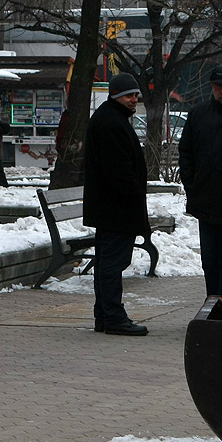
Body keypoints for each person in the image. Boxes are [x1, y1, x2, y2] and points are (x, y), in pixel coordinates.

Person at [83, 72, 150, 336]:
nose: (135, 99)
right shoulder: (112, 123)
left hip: (109, 208)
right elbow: (119, 172)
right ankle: (112, 316)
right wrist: (134, 195)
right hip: (116, 209)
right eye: (130, 95)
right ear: (117, 96)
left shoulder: (110, 117)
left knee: (107, 263)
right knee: (112, 264)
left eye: (136, 95)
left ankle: (104, 315)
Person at [179, 65, 222, 297]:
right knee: (209, 262)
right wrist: (191, 185)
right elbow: (186, 152)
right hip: (205, 199)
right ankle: (213, 306)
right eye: (218, 86)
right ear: (211, 87)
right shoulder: (198, 114)